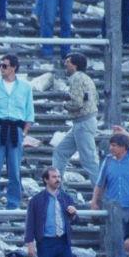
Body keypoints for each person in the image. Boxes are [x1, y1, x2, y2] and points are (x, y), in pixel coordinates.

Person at [0, 53, 35, 209]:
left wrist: (24, 133)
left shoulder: (25, 87)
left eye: (4, 66)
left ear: (13, 68)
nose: (1, 68)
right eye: (0, 65)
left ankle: (13, 203)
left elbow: (29, 113)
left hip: (16, 130)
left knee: (14, 170)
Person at [51, 53, 100, 183]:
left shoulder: (76, 78)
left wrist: (64, 104)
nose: (65, 64)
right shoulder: (86, 78)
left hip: (83, 122)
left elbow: (77, 103)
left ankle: (102, 196)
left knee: (89, 160)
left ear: (75, 65)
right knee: (60, 152)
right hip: (83, 122)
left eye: (68, 62)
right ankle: (56, 188)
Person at [91, 134, 129, 236]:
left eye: (114, 145)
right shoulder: (107, 161)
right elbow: (100, 184)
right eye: (111, 145)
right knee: (115, 238)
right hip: (113, 207)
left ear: (124, 147)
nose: (111, 148)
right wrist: (94, 201)